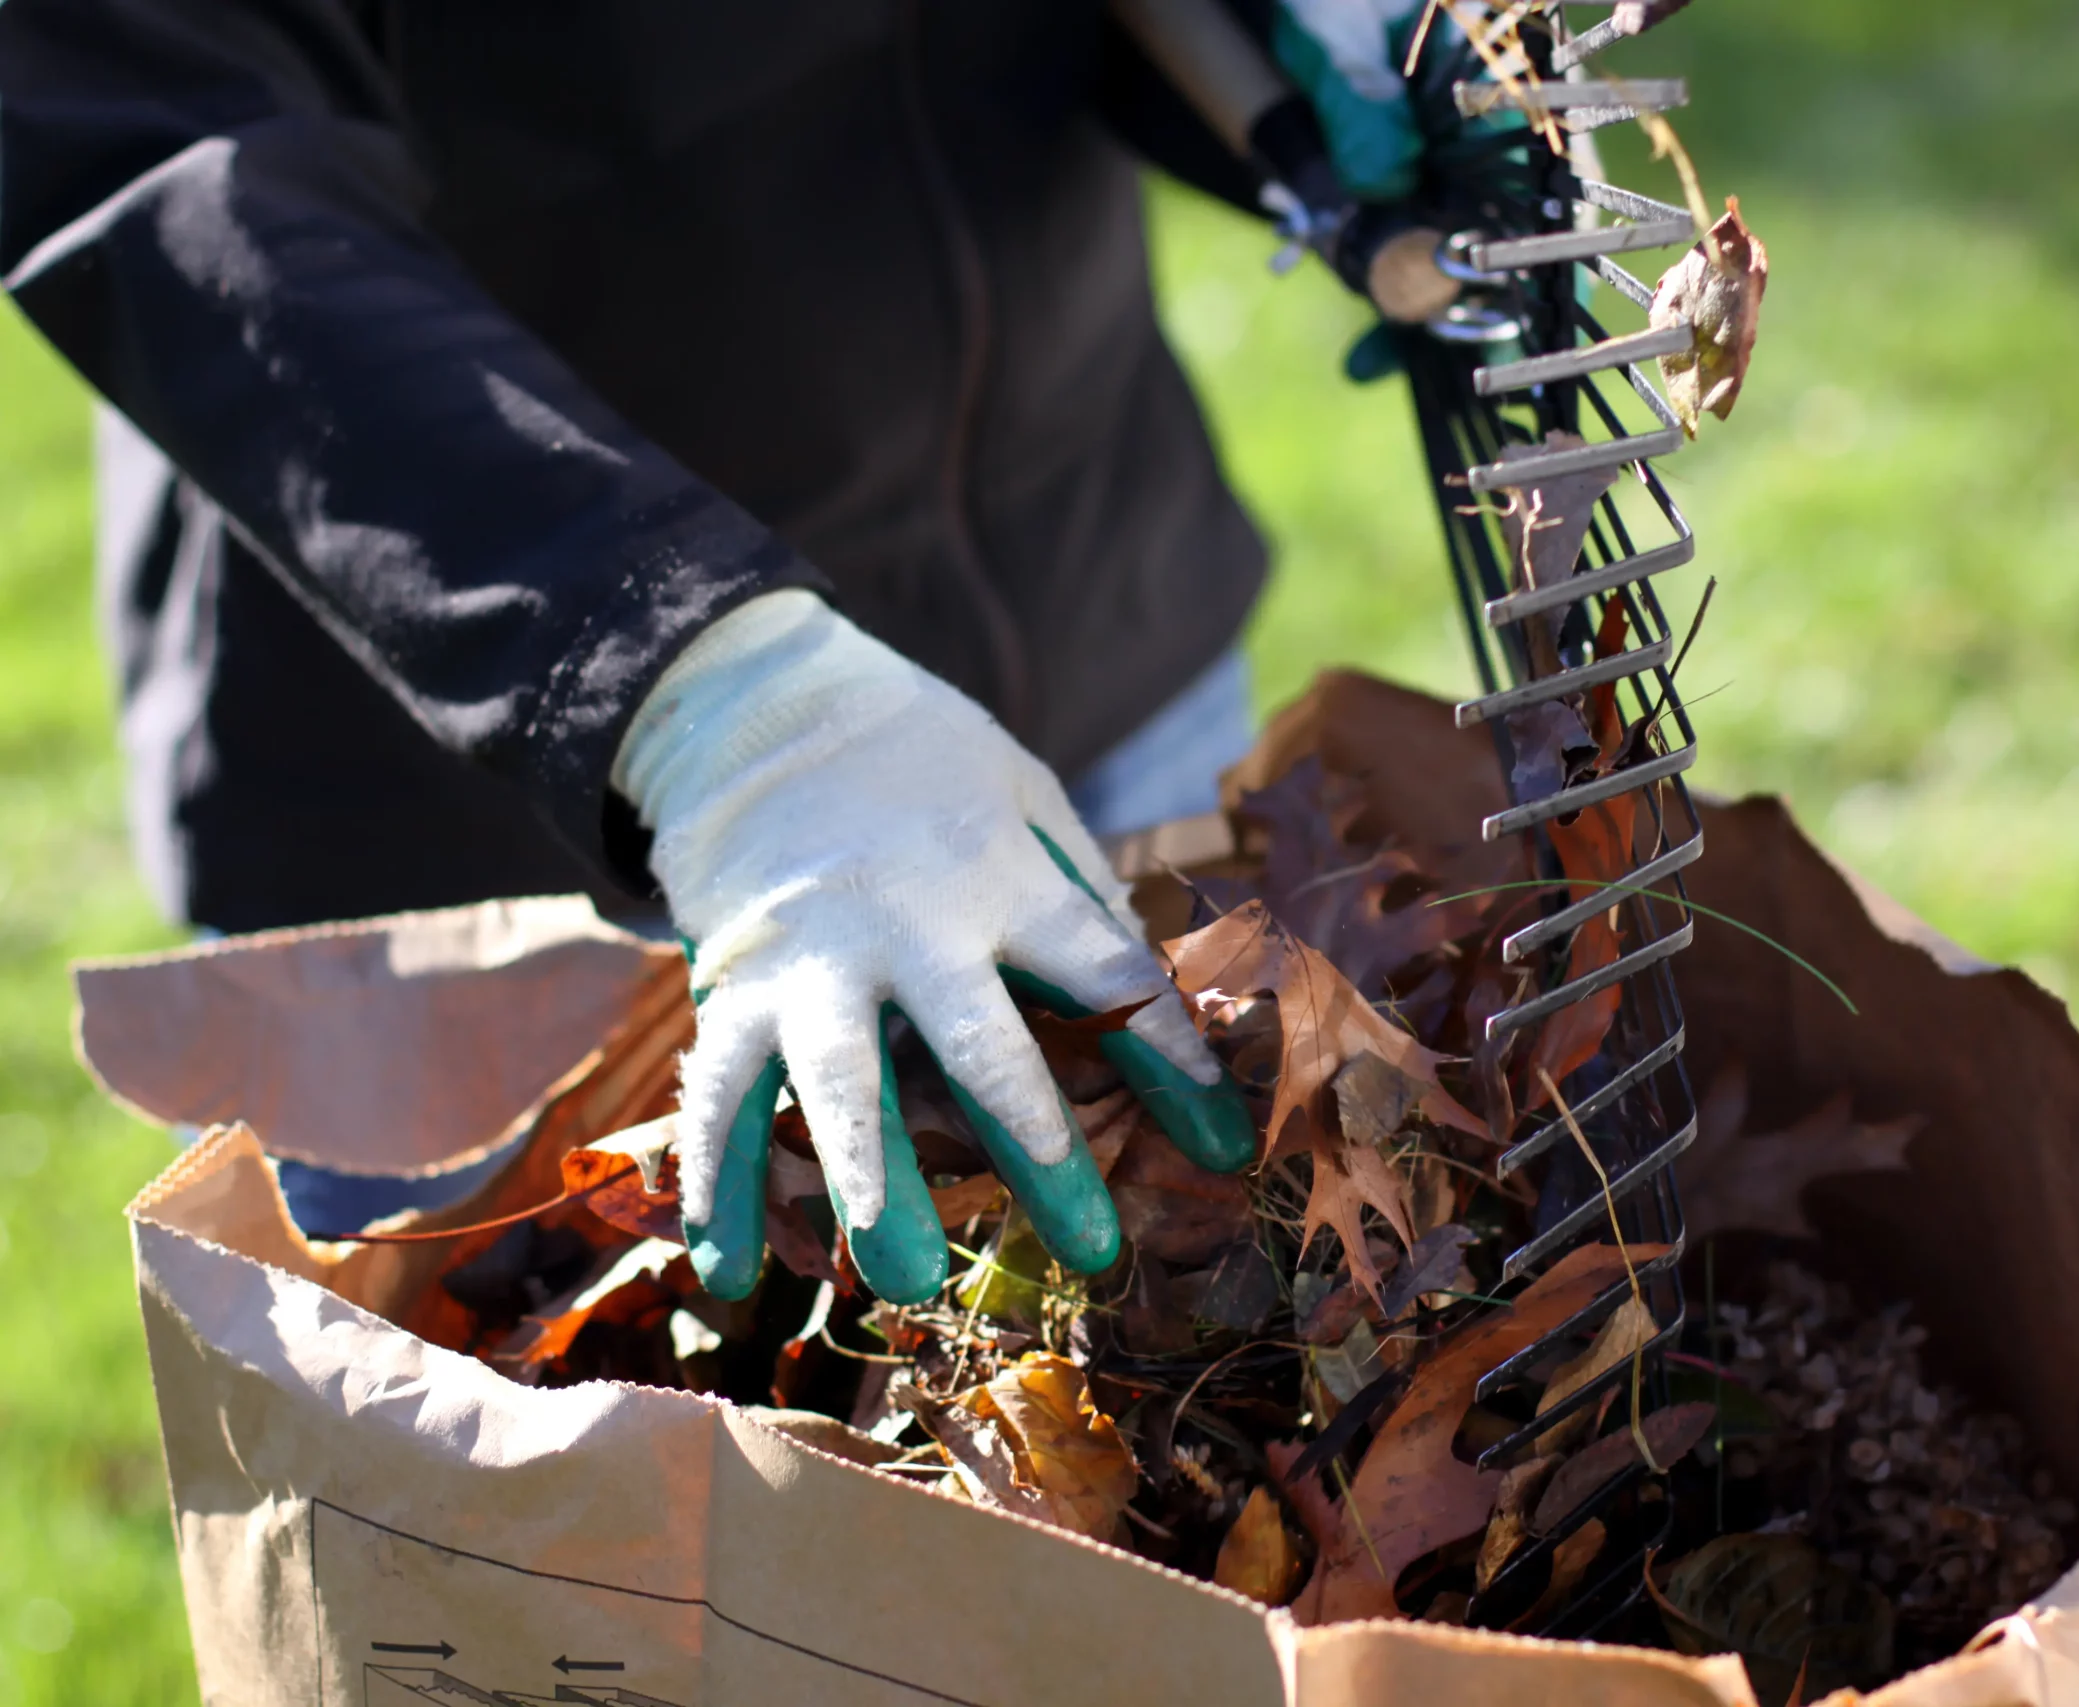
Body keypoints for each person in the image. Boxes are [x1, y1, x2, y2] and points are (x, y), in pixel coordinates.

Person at [0, 0, 1435, 1296]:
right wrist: (707, 691)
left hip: (1084, 622)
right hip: (505, 812)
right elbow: (163, 136)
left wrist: (1308, 56)